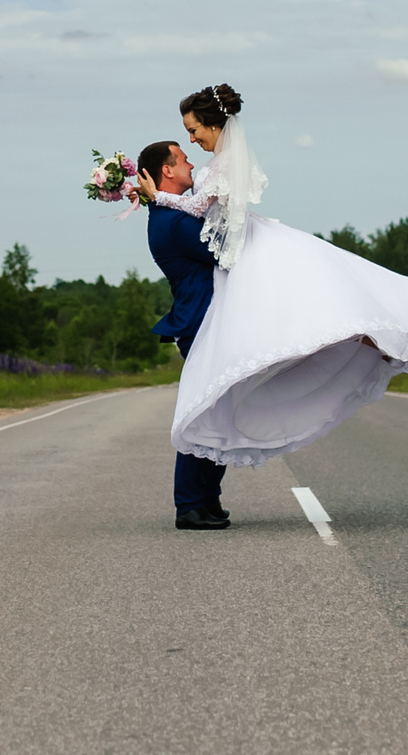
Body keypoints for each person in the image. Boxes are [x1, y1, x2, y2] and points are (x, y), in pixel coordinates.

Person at [169, 83, 408, 477]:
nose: (191, 138)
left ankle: (375, 339)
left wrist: (150, 195)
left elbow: (196, 206)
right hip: (248, 246)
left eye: (193, 129)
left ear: (212, 124)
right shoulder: (225, 160)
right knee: (304, 319)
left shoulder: (224, 165)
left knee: (303, 319)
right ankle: (368, 341)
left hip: (249, 251)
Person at [138, 138, 231, 529]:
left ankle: (207, 498)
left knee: (219, 412)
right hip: (199, 322)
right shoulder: (173, 221)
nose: (191, 163)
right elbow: (223, 249)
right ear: (167, 171)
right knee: (204, 414)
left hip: (208, 320)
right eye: (183, 159)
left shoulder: (170, 212)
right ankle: (189, 505)